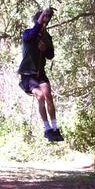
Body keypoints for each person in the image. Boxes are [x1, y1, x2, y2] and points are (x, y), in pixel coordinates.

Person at [18, 8, 64, 141]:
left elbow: (50, 55)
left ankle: (55, 129)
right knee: (40, 95)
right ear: (37, 20)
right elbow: (31, 36)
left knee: (48, 95)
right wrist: (41, 18)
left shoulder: (47, 37)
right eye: (42, 20)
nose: (44, 23)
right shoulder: (28, 33)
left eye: (46, 20)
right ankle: (47, 128)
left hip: (40, 73)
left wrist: (45, 49)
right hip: (28, 74)